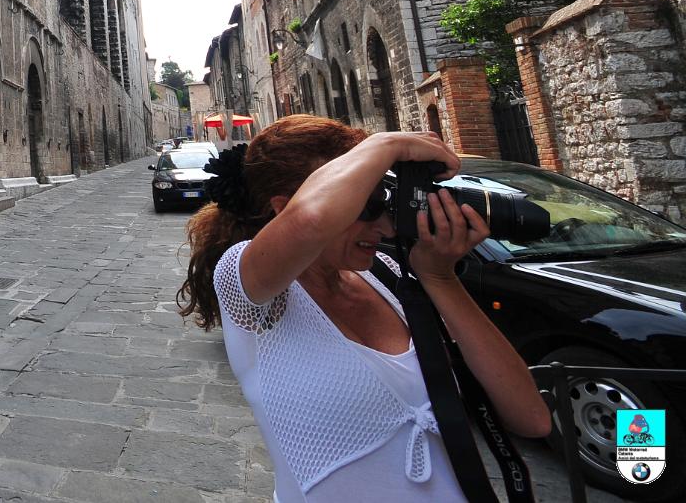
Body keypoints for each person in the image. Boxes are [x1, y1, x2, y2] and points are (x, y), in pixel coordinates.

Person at [177, 115, 550, 502]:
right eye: (367, 203)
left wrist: (440, 279)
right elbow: (309, 220)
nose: (386, 227)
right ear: (282, 207)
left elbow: (532, 417)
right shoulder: (249, 287)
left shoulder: (387, 277)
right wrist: (387, 146)